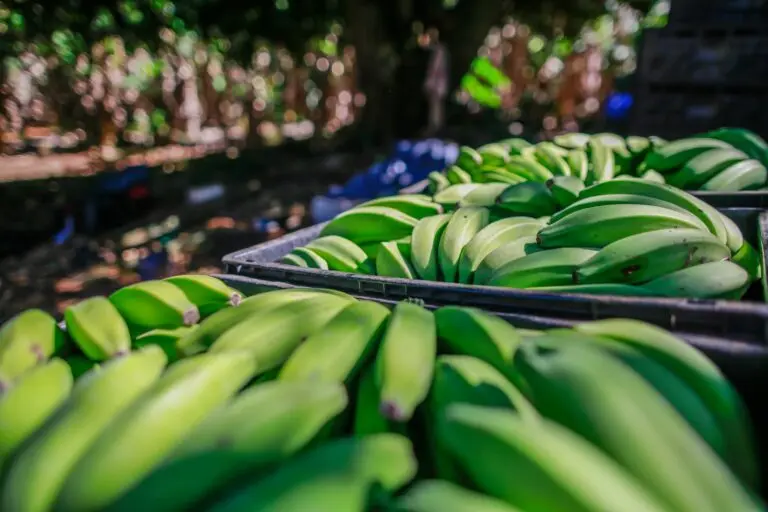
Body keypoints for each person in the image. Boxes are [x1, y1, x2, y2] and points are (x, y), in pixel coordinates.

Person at [423, 28, 450, 136]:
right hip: (435, 84)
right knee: (433, 108)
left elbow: (436, 69)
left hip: (437, 85)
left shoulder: (439, 51)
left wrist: (430, 83)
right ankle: (433, 128)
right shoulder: (433, 50)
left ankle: (436, 130)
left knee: (436, 108)